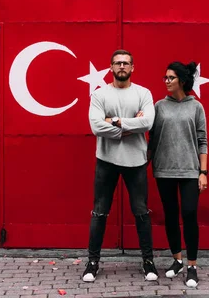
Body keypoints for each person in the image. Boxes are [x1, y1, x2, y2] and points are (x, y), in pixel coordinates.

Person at [83, 49, 158, 283]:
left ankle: (148, 261)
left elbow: (147, 122)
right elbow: (96, 127)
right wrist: (128, 127)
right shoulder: (100, 95)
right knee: (99, 213)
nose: (122, 67)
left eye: (126, 63)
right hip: (106, 161)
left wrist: (114, 122)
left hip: (136, 162)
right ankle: (92, 262)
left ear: (133, 67)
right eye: (118, 63)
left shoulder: (143, 93)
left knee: (141, 213)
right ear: (111, 67)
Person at [148, 61, 208, 288]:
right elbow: (151, 140)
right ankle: (177, 260)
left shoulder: (196, 107)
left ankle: (192, 265)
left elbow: (203, 141)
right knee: (171, 215)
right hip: (163, 170)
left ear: (182, 81)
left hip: (190, 170)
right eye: (165, 78)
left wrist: (203, 172)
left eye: (170, 78)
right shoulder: (159, 106)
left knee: (190, 214)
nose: (166, 81)